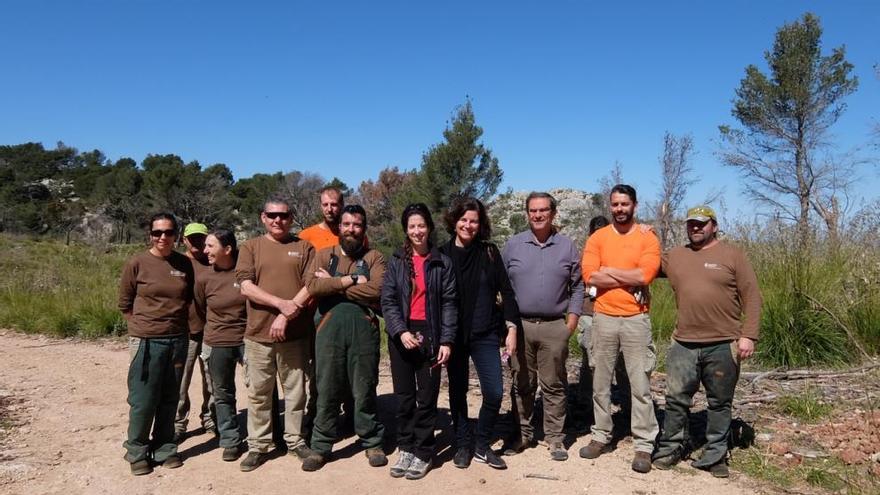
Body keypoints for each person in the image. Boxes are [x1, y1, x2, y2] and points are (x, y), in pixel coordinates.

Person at [652, 205, 762, 478]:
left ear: (714, 225)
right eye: (691, 224)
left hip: (723, 342)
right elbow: (645, 263)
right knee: (676, 399)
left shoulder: (732, 255)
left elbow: (752, 296)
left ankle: (715, 455)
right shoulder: (676, 256)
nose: (696, 228)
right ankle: (671, 447)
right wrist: (645, 235)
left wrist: (748, 335)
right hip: (683, 342)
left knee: (720, 402)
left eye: (702, 224)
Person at [579, 184, 661, 474]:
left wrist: (609, 272)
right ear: (609, 206)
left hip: (636, 319)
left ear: (634, 206)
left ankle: (644, 444)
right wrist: (628, 278)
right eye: (615, 204)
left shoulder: (646, 237)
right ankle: (601, 435)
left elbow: (646, 274)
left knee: (640, 384)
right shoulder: (598, 238)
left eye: (625, 204)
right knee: (600, 382)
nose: (619, 209)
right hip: (603, 317)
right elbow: (590, 275)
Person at [301, 204, 387, 472]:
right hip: (328, 330)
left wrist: (335, 285)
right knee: (326, 387)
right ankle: (320, 445)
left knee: (364, 387)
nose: (352, 229)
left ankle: (372, 441)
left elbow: (377, 291)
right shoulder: (323, 254)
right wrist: (351, 279)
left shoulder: (374, 257)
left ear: (364, 229)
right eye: (347, 224)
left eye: (357, 224)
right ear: (339, 227)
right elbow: (313, 286)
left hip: (364, 330)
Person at [235, 197, 315, 472]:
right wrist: (280, 303)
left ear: (291, 218)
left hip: (295, 334)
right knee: (258, 393)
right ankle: (258, 445)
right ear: (263, 217)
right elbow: (245, 286)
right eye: (272, 215)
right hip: (257, 335)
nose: (278, 220)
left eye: (283, 215)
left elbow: (311, 284)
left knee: (295, 392)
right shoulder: (251, 247)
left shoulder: (303, 246)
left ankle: (295, 441)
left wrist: (286, 313)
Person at [440, 197, 521, 471]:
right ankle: (463, 442)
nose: (468, 225)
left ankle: (482, 444)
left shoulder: (489, 252)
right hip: (454, 336)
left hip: (486, 332)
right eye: (463, 219)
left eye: (474, 220)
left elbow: (507, 292)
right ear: (454, 221)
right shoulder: (442, 254)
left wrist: (511, 328)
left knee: (495, 392)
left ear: (480, 224)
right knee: (458, 390)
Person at [502, 192, 584, 461]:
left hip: (554, 326)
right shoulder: (513, 245)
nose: (537, 215)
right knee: (521, 383)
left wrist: (571, 320)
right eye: (532, 210)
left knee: (554, 384)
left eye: (543, 210)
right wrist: (505, 321)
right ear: (527, 213)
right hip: (519, 326)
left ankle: (555, 438)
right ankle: (523, 434)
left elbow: (578, 285)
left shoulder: (566, 246)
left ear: (553, 213)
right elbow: (500, 284)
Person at [381, 203, 457, 480]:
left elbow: (450, 303)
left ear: (429, 228)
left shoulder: (441, 262)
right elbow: (387, 300)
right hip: (401, 333)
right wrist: (400, 331)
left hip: (432, 333)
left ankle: (424, 451)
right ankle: (406, 446)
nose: (417, 231)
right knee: (404, 397)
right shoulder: (397, 261)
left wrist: (447, 340)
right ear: (406, 230)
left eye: (421, 225)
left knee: (427, 397)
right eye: (412, 226)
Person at [118, 213, 194, 475]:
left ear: (176, 235)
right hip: (147, 340)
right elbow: (125, 303)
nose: (163, 237)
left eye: (168, 232)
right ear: (150, 234)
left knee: (170, 396)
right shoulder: (137, 262)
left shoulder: (184, 263)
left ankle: (164, 447)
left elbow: (189, 298)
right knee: (143, 398)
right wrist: (142, 329)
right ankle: (137, 450)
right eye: (157, 232)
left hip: (177, 339)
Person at [195, 229, 248, 462]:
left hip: (248, 340)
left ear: (227, 249)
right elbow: (198, 309)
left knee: (259, 390)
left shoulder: (245, 273)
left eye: (210, 246)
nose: (204, 251)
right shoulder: (204, 278)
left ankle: (264, 436)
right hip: (217, 342)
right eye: (205, 246)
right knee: (223, 392)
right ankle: (230, 440)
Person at [175, 222, 216, 443]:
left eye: (201, 238)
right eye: (192, 239)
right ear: (184, 240)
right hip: (185, 331)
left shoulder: (213, 262)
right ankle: (179, 423)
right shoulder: (179, 262)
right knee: (181, 381)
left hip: (210, 330)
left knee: (211, 380)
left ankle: (210, 418)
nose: (197, 243)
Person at [571, 215, 610, 432]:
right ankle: (587, 404)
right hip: (588, 313)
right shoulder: (583, 256)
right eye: (595, 232)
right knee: (591, 360)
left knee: (618, 362)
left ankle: (625, 409)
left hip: (614, 314)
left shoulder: (616, 253)